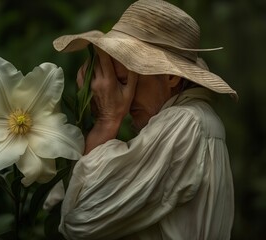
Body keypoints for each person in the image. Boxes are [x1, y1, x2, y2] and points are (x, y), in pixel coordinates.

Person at [50, 0, 237, 239]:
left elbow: (80, 222)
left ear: (170, 75)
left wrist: (107, 121)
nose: (121, 99)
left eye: (125, 81)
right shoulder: (196, 121)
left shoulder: (185, 125)